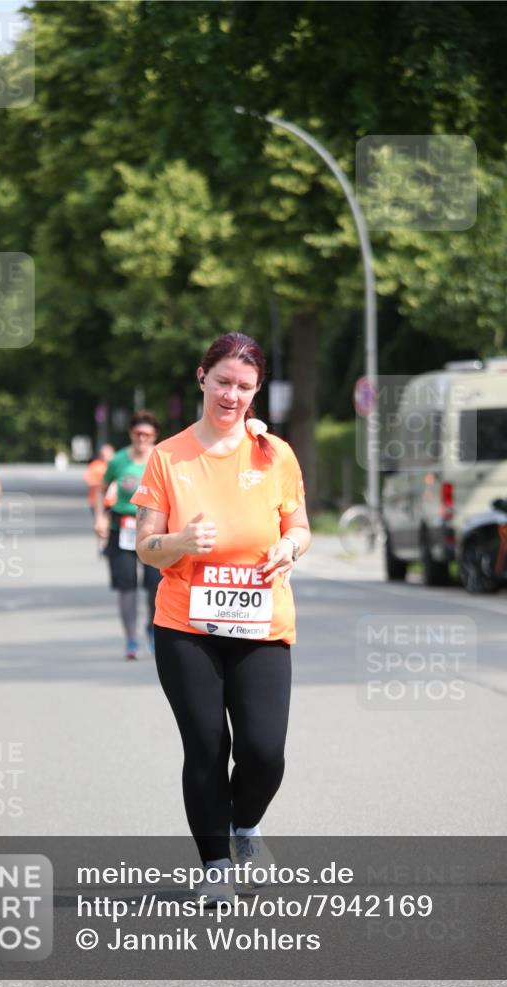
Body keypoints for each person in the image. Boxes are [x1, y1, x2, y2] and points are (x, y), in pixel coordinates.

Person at [131, 332, 310, 905]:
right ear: (201, 377)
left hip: (261, 620)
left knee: (263, 749)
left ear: (255, 393)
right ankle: (214, 866)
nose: (231, 395)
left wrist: (292, 548)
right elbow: (144, 547)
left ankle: (247, 828)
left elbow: (299, 525)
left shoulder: (273, 453)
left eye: (244, 387)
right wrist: (179, 539)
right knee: (206, 745)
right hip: (186, 624)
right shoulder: (168, 456)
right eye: (223, 382)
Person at [94, 412, 162, 660]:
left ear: (154, 435)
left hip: (155, 529)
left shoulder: (162, 457)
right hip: (122, 528)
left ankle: (152, 629)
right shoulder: (118, 460)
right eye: (138, 433)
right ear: (131, 434)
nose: (142, 438)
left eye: (147, 434)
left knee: (156, 586)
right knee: (127, 587)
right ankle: (131, 639)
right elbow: (101, 489)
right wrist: (100, 517)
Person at [84, 444, 115, 515]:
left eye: (109, 455)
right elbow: (89, 480)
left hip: (113, 503)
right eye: (104, 455)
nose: (106, 457)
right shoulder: (95, 466)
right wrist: (104, 483)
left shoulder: (115, 466)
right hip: (96, 501)